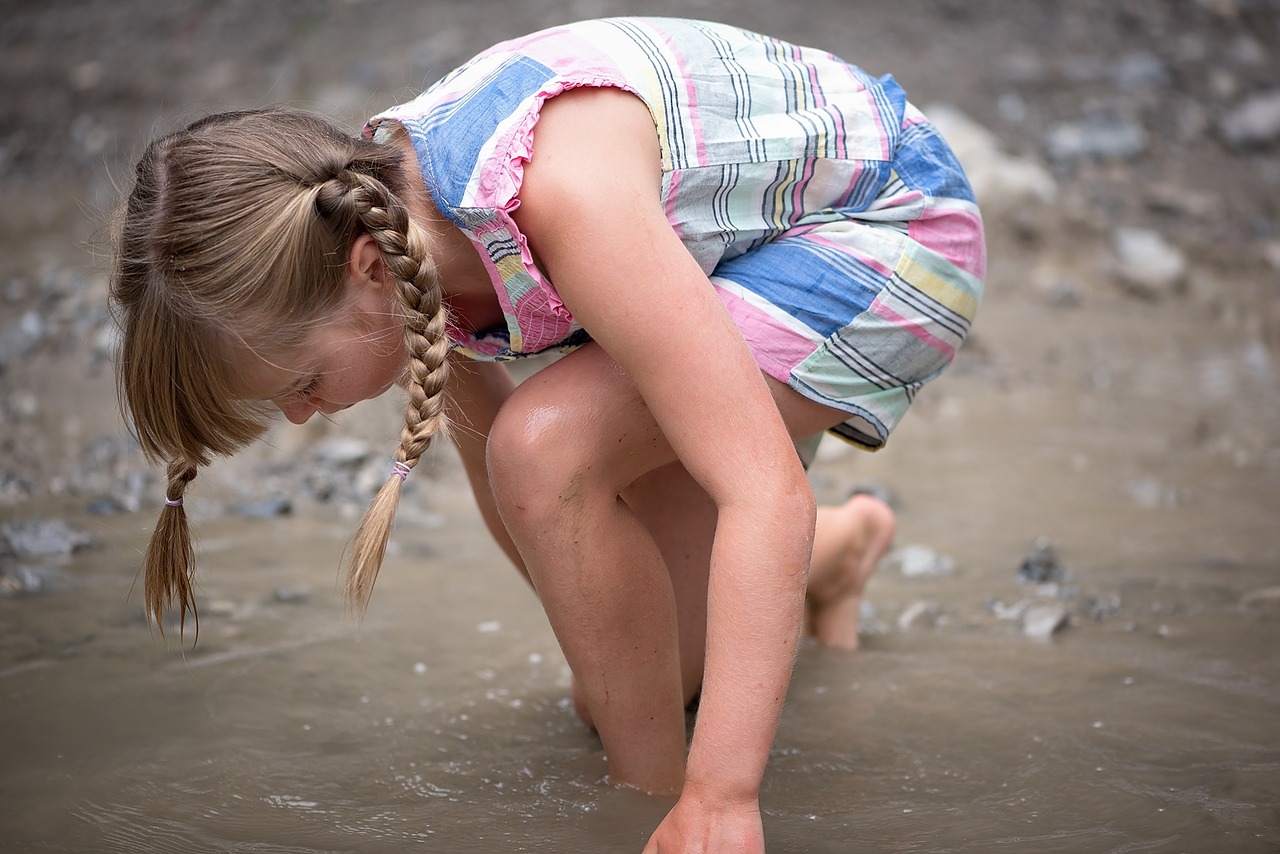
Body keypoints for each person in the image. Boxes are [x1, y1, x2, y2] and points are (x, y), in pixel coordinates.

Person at [110, 16, 983, 852]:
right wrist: (603, 657)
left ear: (366, 271)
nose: (302, 416)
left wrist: (717, 798)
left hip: (886, 225)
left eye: (301, 384)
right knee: (627, 683)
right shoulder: (383, 233)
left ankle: (645, 810)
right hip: (732, 255)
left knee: (551, 445)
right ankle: (839, 554)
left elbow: (755, 489)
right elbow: (525, 503)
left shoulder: (555, 194)